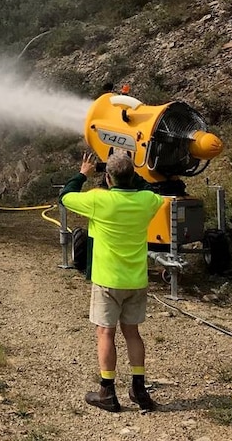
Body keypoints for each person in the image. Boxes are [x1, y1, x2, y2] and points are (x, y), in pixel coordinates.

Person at [60, 151, 164, 412]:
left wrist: (83, 173)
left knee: (106, 333)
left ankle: (107, 392)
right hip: (136, 280)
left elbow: (65, 196)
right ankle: (139, 388)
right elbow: (151, 189)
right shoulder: (148, 201)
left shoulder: (98, 200)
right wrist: (131, 172)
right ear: (131, 177)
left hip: (107, 280)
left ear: (107, 178)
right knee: (133, 333)